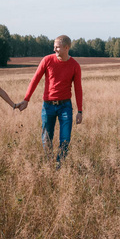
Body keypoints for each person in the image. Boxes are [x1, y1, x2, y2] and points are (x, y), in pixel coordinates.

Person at [17, 35, 83, 167]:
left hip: (65, 106)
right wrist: (26, 99)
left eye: (57, 47)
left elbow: (78, 89)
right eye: (54, 47)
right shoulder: (47, 60)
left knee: (65, 139)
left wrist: (80, 111)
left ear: (66, 47)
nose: (54, 49)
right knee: (46, 138)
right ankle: (49, 163)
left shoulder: (75, 66)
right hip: (48, 106)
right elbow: (35, 79)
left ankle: (59, 166)